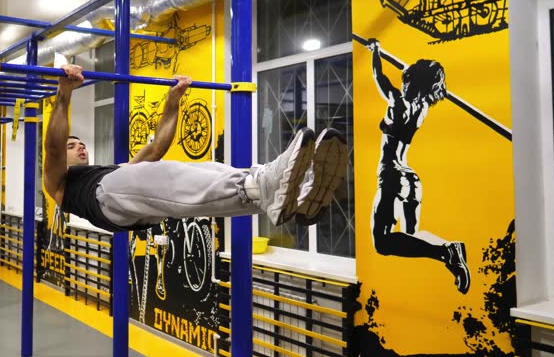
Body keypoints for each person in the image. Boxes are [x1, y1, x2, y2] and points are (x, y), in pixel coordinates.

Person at [42, 64, 349, 235]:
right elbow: (54, 149)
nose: (79, 146)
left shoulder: (112, 173)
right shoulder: (59, 183)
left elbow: (156, 148)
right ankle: (265, 184)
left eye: (81, 143)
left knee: (203, 169)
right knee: (167, 175)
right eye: (73, 145)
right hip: (106, 201)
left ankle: (283, 195)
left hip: (130, 208)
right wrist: (64, 94)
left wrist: (173, 99)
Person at [365, 39, 470, 294]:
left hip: (391, 174)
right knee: (411, 236)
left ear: (410, 80)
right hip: (410, 180)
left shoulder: (398, 103)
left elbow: (379, 76)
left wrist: (376, 52)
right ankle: (448, 251)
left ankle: (446, 252)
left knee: (383, 242)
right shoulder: (422, 108)